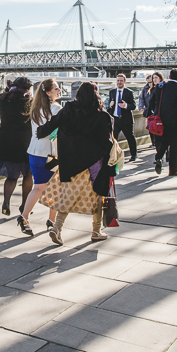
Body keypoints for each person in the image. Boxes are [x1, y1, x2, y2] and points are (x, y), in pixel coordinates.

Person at [37, 81, 114, 245]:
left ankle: (57, 228)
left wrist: (39, 132)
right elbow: (107, 142)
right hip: (94, 165)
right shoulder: (101, 115)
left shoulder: (69, 109)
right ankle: (96, 230)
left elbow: (53, 123)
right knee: (98, 196)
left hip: (70, 163)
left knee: (68, 198)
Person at [17, 78, 62, 236]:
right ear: (48, 92)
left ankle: (25, 217)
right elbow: (58, 131)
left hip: (34, 152)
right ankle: (50, 221)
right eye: (56, 89)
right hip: (51, 154)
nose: (59, 91)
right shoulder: (56, 109)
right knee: (56, 189)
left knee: (37, 188)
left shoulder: (35, 108)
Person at [0, 77, 34, 216]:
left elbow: (5, 94)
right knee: (28, 175)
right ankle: (24, 205)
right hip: (25, 143)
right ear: (27, 89)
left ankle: (6, 201)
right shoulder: (29, 102)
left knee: (11, 177)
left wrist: (9, 88)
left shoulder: (3, 100)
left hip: (7, 142)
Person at [146, 68, 177, 175]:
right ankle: (173, 170)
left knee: (164, 141)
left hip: (161, 120)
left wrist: (154, 113)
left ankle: (159, 158)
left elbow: (151, 102)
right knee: (174, 144)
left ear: (169, 76)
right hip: (176, 121)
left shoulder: (160, 87)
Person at [107, 73, 137, 162]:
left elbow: (134, 106)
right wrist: (110, 105)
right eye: (118, 80)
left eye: (121, 81)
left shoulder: (129, 92)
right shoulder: (112, 92)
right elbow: (109, 107)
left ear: (124, 81)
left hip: (126, 119)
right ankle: (112, 156)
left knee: (130, 137)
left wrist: (126, 105)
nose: (119, 82)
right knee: (113, 139)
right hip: (115, 119)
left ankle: (133, 155)